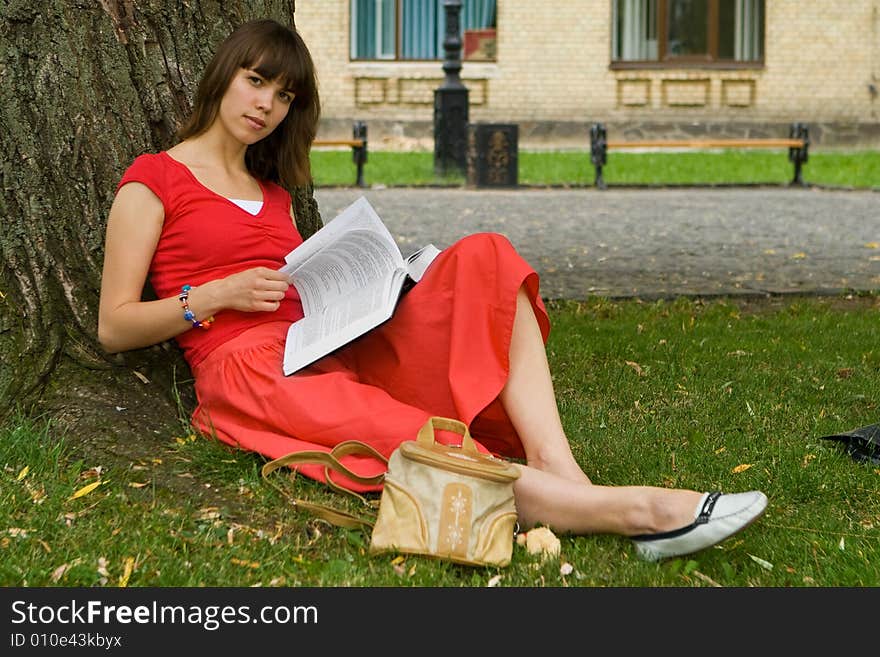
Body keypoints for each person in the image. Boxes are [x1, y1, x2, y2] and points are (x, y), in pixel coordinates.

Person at [97, 18, 767, 562]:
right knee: (414, 434)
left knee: (485, 260)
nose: (266, 105)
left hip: (326, 343)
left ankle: (555, 462)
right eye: (255, 82)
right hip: (250, 371)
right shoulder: (155, 178)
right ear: (223, 77)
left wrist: (390, 283)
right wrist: (212, 296)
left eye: (284, 96)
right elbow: (114, 324)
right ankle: (644, 512)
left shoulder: (272, 192)